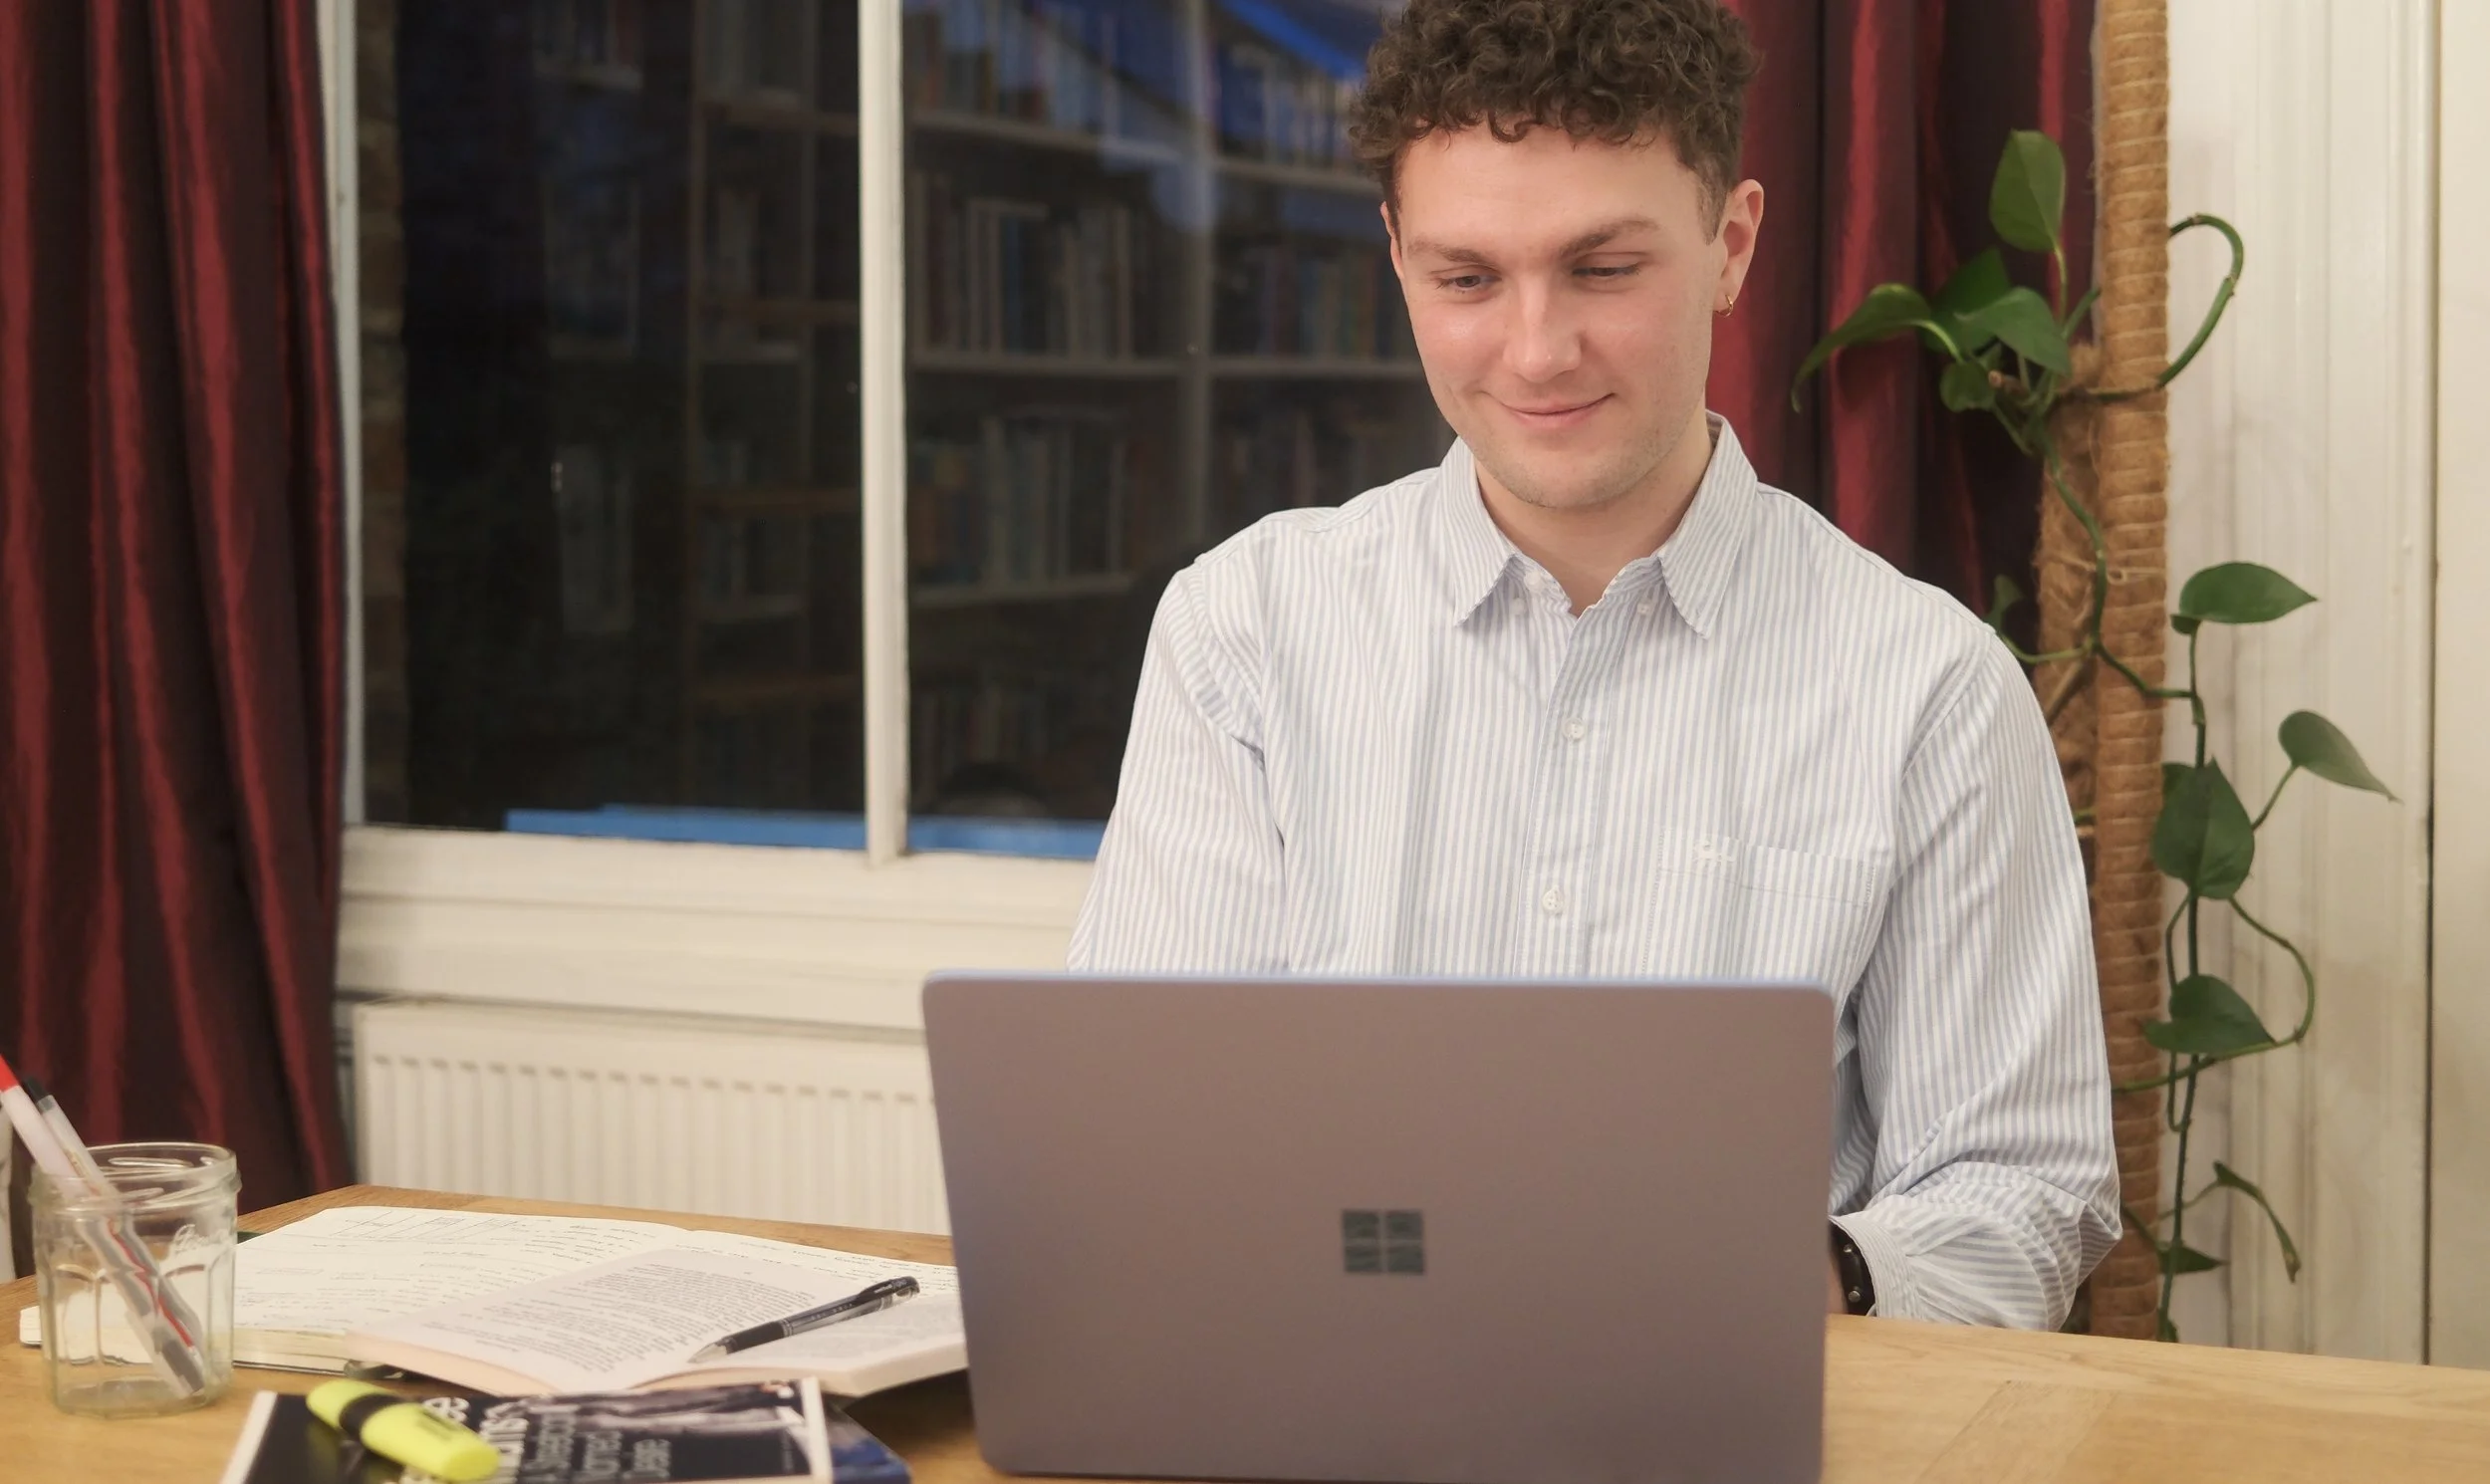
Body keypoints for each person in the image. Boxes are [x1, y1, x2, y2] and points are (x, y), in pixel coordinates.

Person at [1069, 0, 2118, 1331]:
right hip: (1323, 1412)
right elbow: (1140, 1137)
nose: (1536, 351)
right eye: (1467, 279)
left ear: (1731, 244)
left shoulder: (1932, 691)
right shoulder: (1244, 633)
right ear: (1396, 259)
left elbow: (2022, 1195)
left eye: (1604, 269)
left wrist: (1802, 1276)